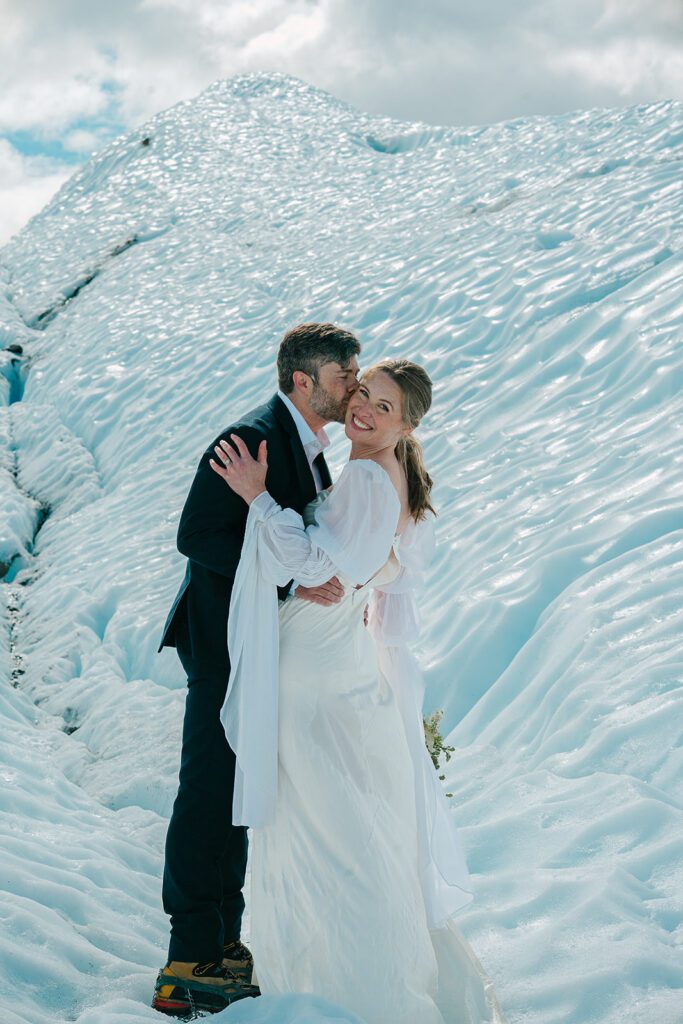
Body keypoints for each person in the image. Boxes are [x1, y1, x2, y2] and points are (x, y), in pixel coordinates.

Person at [211, 359, 506, 1023]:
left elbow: (314, 563)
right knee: (338, 822)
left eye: (382, 407)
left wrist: (257, 496)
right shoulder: (383, 471)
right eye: (363, 394)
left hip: (317, 663)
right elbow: (372, 560)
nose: (363, 410)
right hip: (335, 657)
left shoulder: (370, 476)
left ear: (404, 425)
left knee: (325, 830)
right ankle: (345, 977)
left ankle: (354, 989)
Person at [152, 323, 361, 1017]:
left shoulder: (307, 446)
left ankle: (222, 945)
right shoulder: (248, 439)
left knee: (238, 792)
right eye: (342, 372)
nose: (352, 383)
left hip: (257, 645)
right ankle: (186, 957)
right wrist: (289, 584)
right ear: (304, 379)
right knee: (209, 789)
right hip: (221, 643)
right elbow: (197, 535)